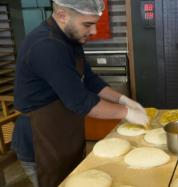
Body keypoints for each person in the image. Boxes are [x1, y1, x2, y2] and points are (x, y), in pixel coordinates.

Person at [11, 0, 148, 187]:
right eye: (87, 25)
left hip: (64, 133)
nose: (93, 32)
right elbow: (82, 102)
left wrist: (123, 99)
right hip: (40, 139)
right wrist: (126, 112)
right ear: (62, 15)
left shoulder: (69, 39)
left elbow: (90, 80)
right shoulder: (46, 46)